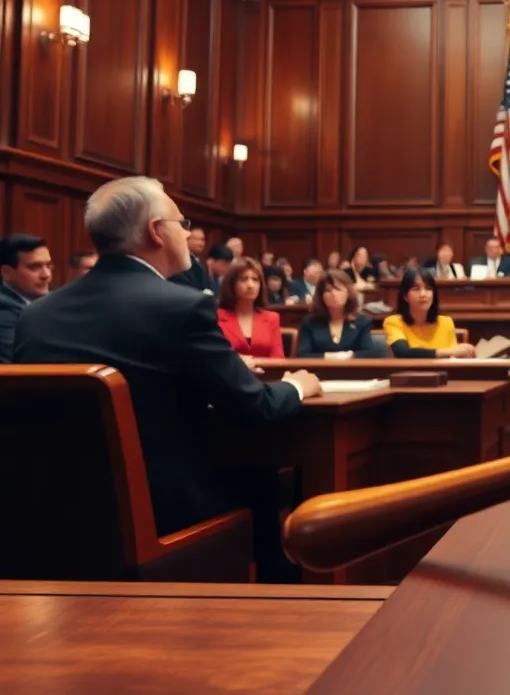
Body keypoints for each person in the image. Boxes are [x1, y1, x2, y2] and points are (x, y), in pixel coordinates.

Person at [14, 176, 321, 536]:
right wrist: (297, 386)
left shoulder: (36, 315)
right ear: (156, 232)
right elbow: (255, 407)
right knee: (269, 482)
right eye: (183, 224)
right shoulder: (182, 307)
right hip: (161, 519)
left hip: (48, 520)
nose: (188, 236)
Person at [381, 267, 476, 358]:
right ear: (405, 296)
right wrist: (447, 351)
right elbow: (403, 352)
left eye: (428, 289)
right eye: (416, 289)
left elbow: (452, 358)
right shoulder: (393, 322)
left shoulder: (446, 322)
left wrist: (463, 352)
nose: (423, 294)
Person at [296, 270, 380, 359]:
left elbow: (369, 352)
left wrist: (348, 356)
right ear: (321, 296)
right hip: (319, 371)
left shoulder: (362, 321)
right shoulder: (309, 322)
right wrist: (329, 357)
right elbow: (302, 354)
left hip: (353, 371)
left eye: (338, 289)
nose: (333, 294)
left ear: (348, 293)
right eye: (328, 290)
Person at [215, 257, 285, 359]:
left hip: (265, 373)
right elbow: (214, 356)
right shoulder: (217, 317)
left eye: (255, 280)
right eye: (244, 279)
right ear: (232, 284)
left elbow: (278, 357)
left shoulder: (272, 318)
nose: (250, 285)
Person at [0, 234, 53, 363]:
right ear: (7, 273)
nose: (46, 275)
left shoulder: (54, 301)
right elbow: (23, 365)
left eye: (48, 265)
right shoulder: (3, 313)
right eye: (35, 267)